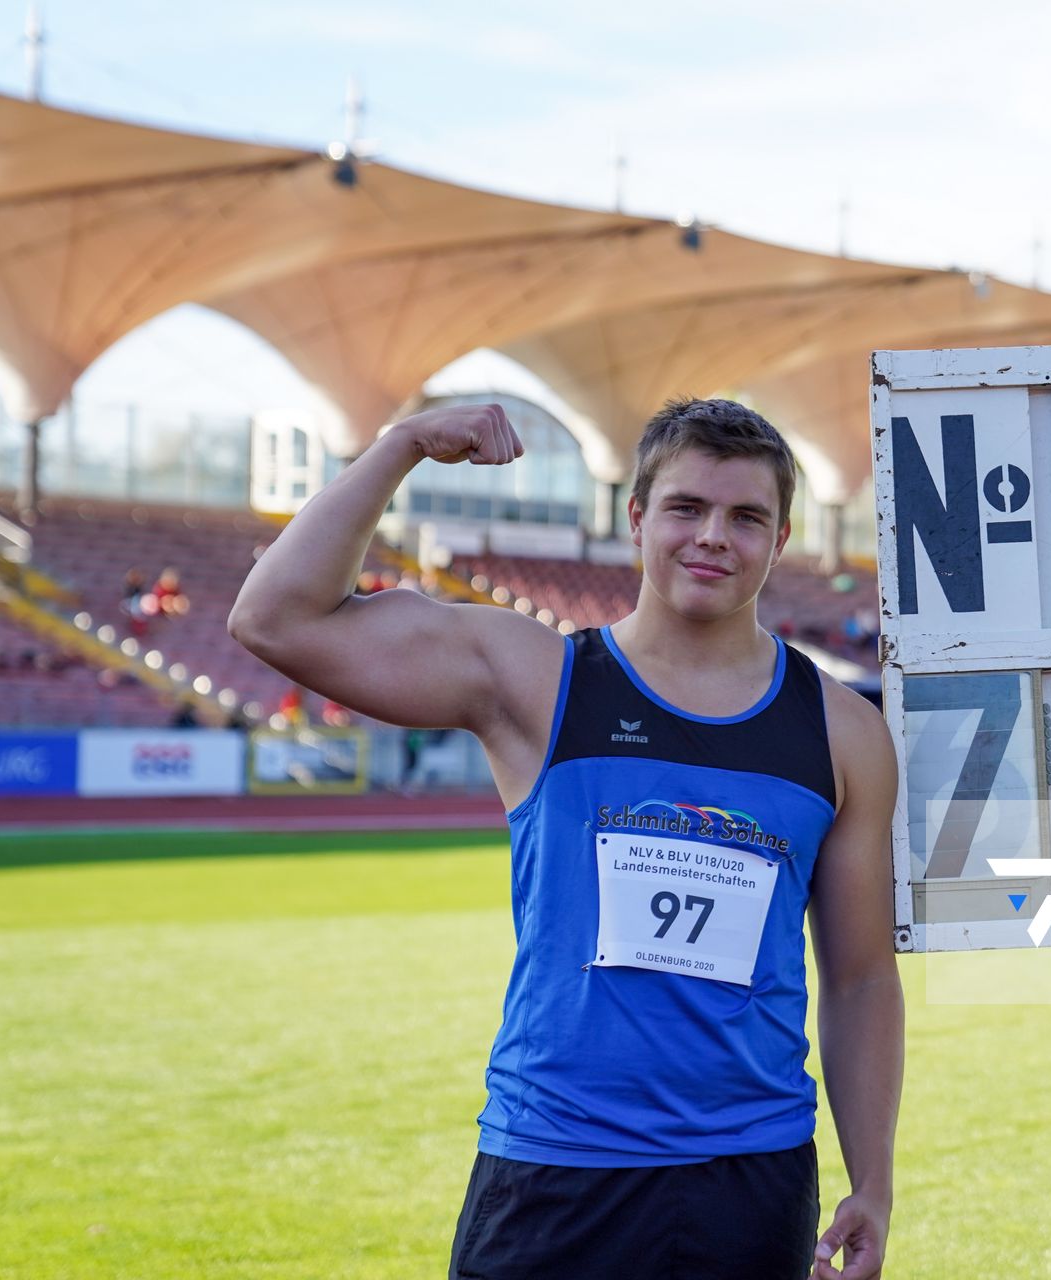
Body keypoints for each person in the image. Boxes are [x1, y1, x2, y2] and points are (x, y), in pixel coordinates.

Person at [229, 400, 902, 1280]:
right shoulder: (538, 678)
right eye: (686, 508)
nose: (713, 537)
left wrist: (875, 1183)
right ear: (636, 519)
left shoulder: (841, 733)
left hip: (752, 1177)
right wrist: (399, 446)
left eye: (746, 518)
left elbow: (857, 977)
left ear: (780, 542)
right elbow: (274, 618)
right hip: (555, 1167)